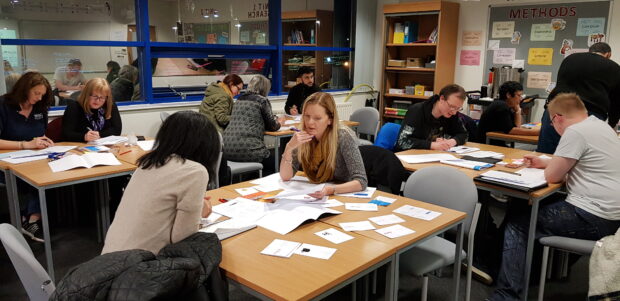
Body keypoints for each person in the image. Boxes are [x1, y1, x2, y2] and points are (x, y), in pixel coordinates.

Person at [488, 93, 620, 301]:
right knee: (535, 210)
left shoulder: (575, 132)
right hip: (613, 216)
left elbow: (553, 176)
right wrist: (545, 161)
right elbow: (583, 162)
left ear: (557, 118)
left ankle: (506, 296)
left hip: (592, 215)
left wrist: (549, 166)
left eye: (551, 122)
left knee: (519, 225)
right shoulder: (602, 126)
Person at [102, 110, 220, 255]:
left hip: (109, 259)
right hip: (143, 268)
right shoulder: (195, 171)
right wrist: (200, 212)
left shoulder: (148, 163)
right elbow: (182, 238)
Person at [280, 92, 367, 198]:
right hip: (317, 194)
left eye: (317, 118)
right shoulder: (302, 135)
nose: (310, 122)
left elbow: (361, 181)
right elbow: (285, 176)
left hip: (342, 195)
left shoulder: (343, 137)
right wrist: (289, 148)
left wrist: (330, 190)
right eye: (307, 116)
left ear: (330, 119)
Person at [537, 42, 620, 154]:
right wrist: (611, 125)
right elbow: (616, 101)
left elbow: (560, 85)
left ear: (589, 51)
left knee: (545, 154)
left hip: (555, 111)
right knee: (579, 158)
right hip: (588, 115)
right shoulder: (614, 67)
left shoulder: (570, 59)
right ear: (608, 54)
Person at [0, 71, 55, 242]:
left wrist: (43, 141)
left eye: (42, 94)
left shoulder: (40, 108)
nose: (39, 98)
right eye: (36, 93)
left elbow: (38, 133)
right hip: (6, 160)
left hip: (33, 157)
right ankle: (28, 220)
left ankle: (31, 220)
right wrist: (24, 144)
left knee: (50, 174)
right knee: (26, 179)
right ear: (24, 90)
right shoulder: (3, 105)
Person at [223, 75, 284, 174]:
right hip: (248, 149)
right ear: (265, 88)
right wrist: (280, 122)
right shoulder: (262, 100)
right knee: (278, 164)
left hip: (227, 148)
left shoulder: (239, 100)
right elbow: (272, 126)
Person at [394, 84, 468, 151]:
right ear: (442, 99)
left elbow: (464, 134)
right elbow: (402, 142)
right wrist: (432, 145)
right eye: (452, 106)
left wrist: (452, 141)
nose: (454, 112)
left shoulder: (452, 114)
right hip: (408, 158)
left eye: (458, 108)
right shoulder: (417, 111)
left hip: (433, 156)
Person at [477, 81, 539, 146]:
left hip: (495, 143)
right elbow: (511, 130)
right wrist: (537, 132)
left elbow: (517, 127)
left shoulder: (506, 106)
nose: (520, 99)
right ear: (508, 95)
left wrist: (518, 111)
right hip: (487, 145)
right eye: (518, 95)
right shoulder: (501, 106)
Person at [61, 78, 122, 142]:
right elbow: (66, 134)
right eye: (95, 96)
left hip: (103, 146)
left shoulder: (109, 105)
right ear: (86, 94)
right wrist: (84, 137)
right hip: (80, 147)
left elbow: (117, 130)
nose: (98, 100)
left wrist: (99, 134)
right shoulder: (74, 107)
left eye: (102, 97)